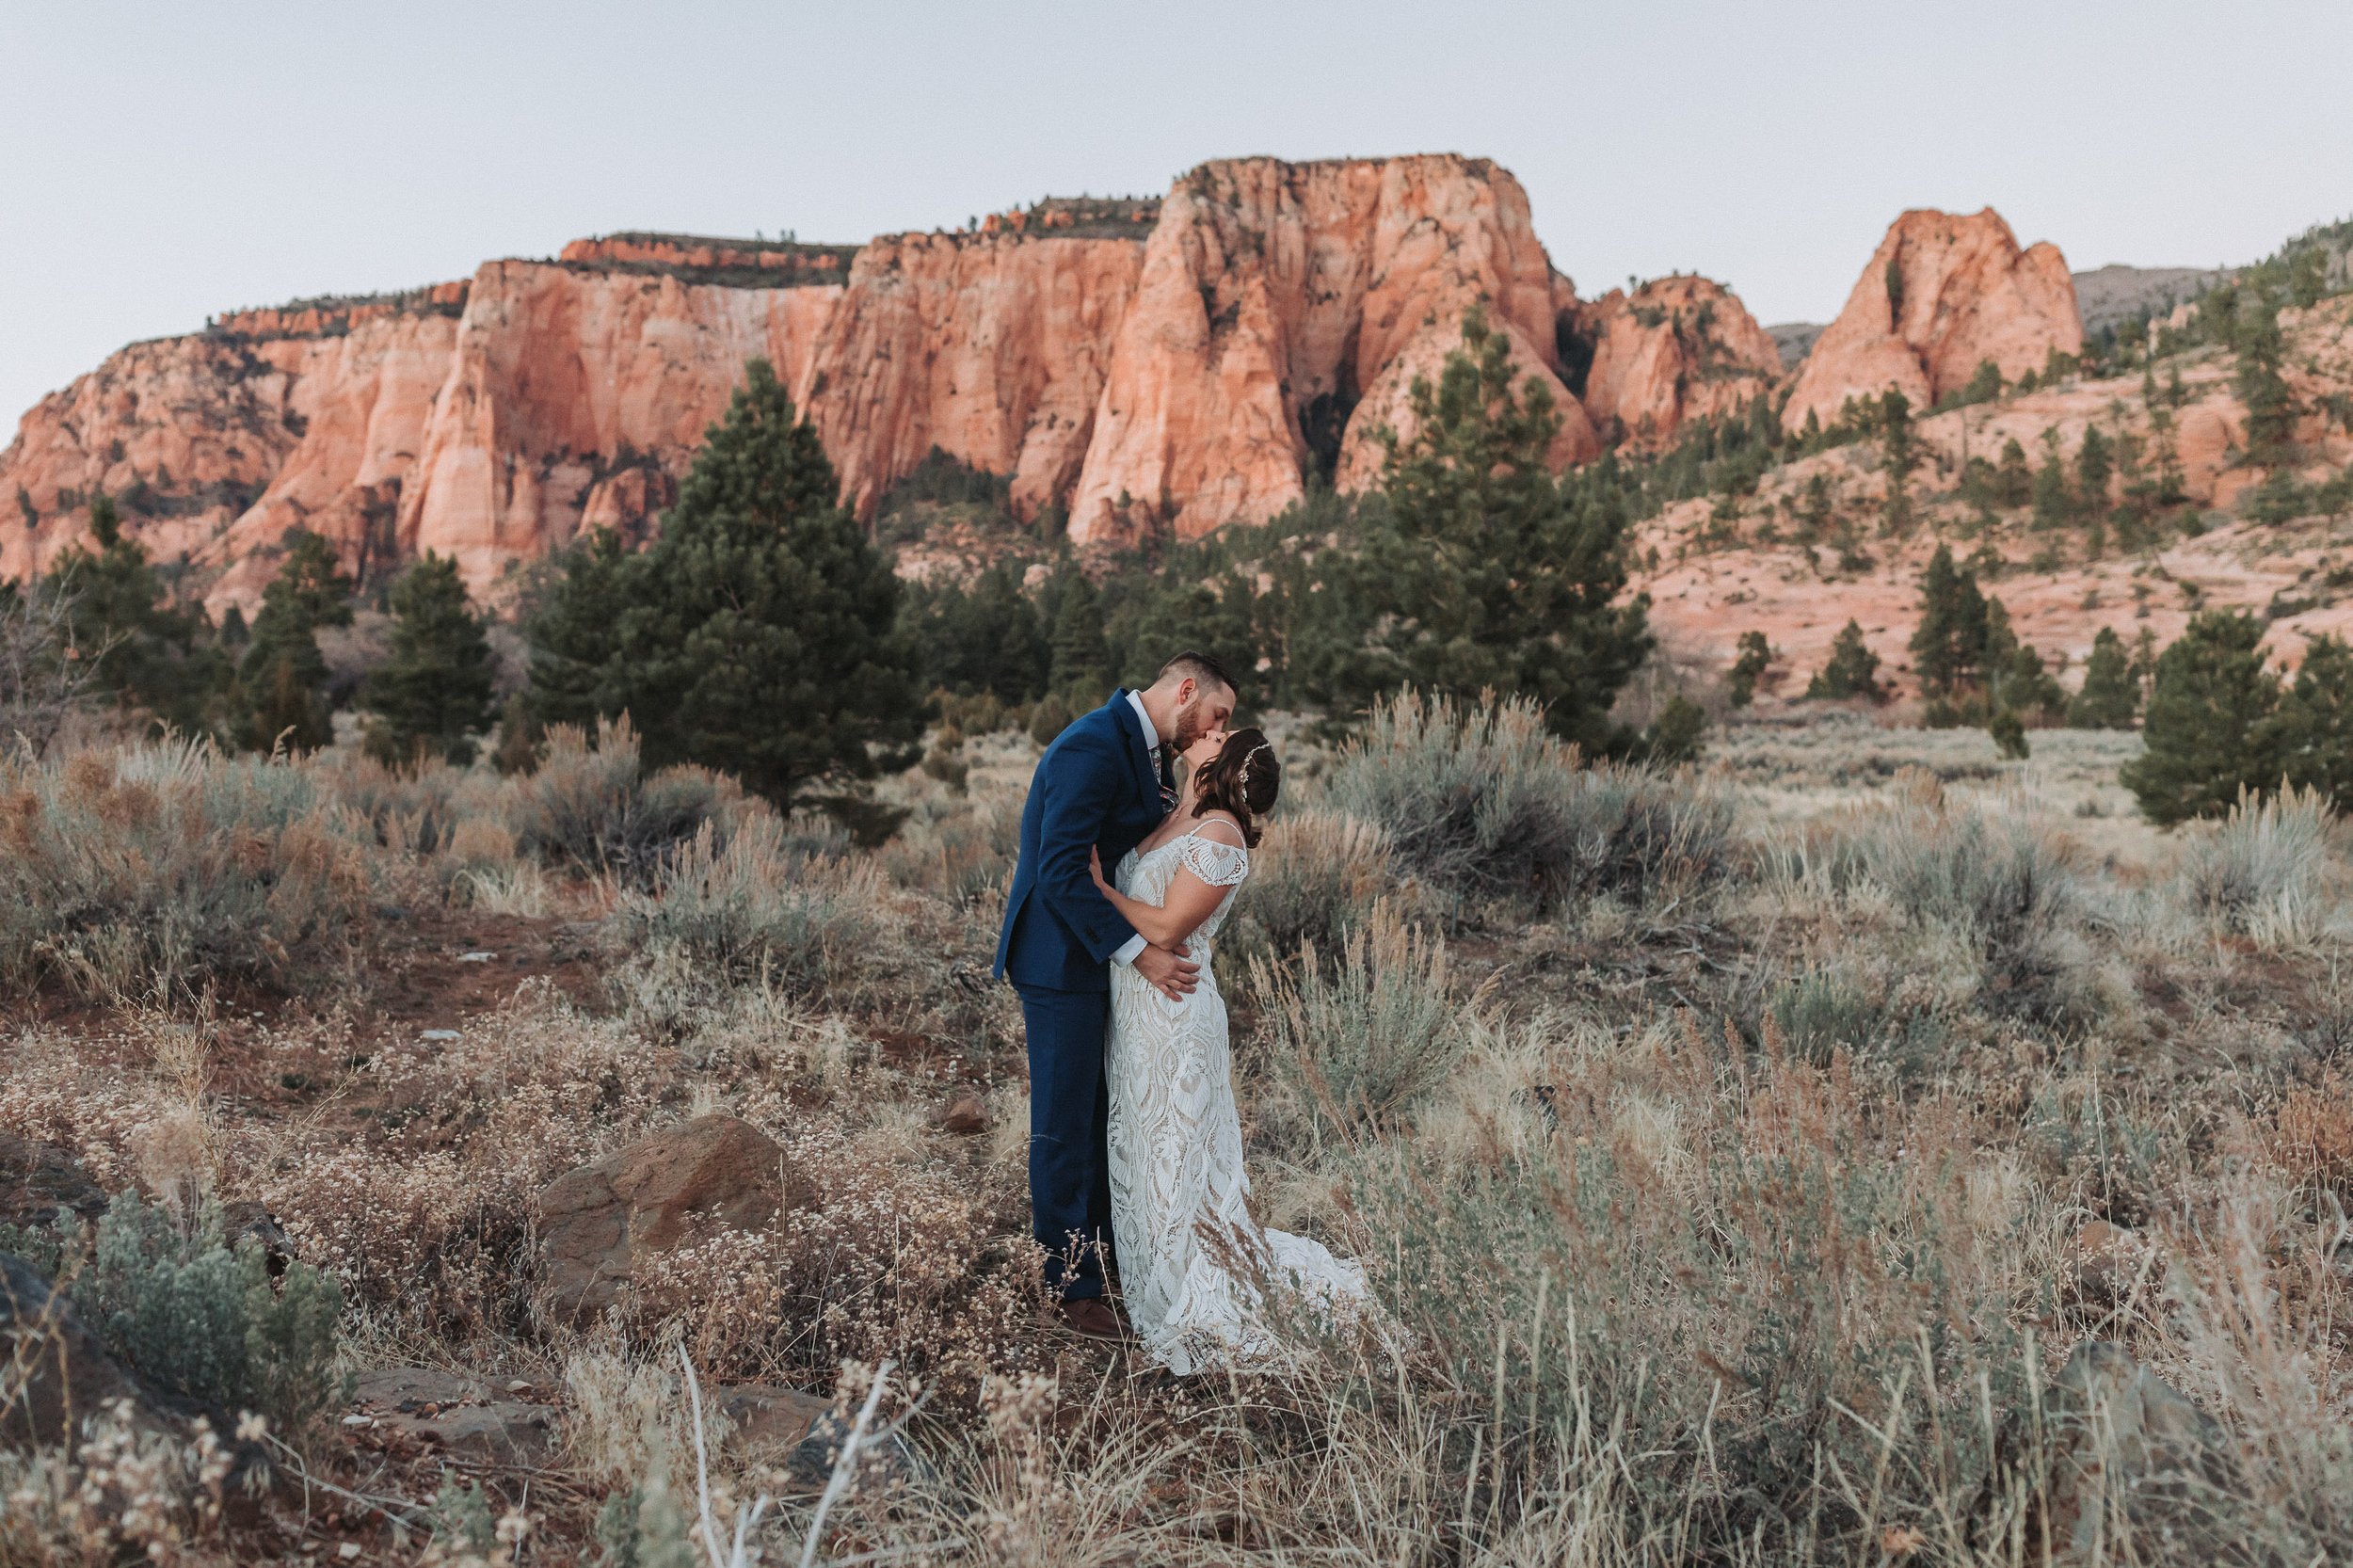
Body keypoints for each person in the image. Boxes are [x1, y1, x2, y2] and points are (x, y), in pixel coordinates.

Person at [1089, 725, 1372, 1374]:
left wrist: (1100, 889)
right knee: (1141, 1143)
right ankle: (1149, 1279)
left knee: (1178, 1148)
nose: (1205, 731)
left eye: (1218, 733)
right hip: (1134, 1012)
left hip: (1175, 1013)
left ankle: (1192, 1293)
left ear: (1225, 763)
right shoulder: (1172, 813)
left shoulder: (1222, 834)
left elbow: (1167, 925)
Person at [994, 651, 1235, 1338]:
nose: (1214, 730)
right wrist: (1143, 954)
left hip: (1102, 962)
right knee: (1066, 1123)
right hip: (1059, 961)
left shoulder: (1149, 752)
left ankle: (1108, 1254)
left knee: (1108, 1115)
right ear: (1187, 690)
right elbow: (1061, 870)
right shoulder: (1092, 745)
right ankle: (1071, 1289)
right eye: (1217, 714)